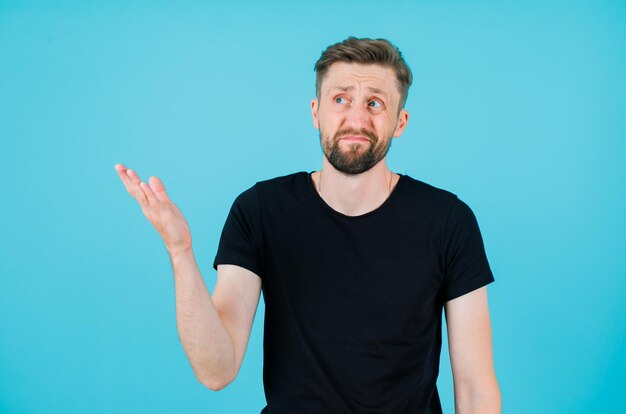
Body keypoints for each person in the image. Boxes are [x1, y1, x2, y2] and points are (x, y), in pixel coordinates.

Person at [115, 37, 501, 413]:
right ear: (315, 111)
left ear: (400, 121)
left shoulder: (448, 220)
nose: (356, 117)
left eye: (374, 103)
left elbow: (476, 390)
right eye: (341, 99)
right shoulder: (260, 211)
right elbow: (217, 369)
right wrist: (180, 252)